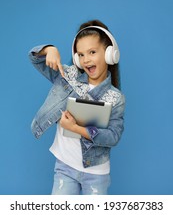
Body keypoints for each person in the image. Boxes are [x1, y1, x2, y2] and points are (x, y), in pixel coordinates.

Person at [29, 19, 125, 195]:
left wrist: (76, 128)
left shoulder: (116, 98)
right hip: (64, 166)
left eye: (92, 52)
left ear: (110, 54)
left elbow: (113, 136)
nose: (86, 59)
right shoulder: (68, 76)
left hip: (96, 173)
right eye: (80, 55)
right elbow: (35, 59)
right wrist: (49, 50)